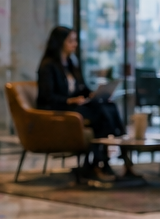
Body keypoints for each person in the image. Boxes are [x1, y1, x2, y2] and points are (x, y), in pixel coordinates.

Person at [36, 26, 123, 179]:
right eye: (71, 41)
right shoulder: (48, 66)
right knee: (100, 113)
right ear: (60, 42)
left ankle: (114, 157)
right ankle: (99, 163)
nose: (75, 44)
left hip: (74, 107)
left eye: (75, 40)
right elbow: (46, 97)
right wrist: (70, 100)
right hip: (59, 109)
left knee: (109, 105)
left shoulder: (71, 64)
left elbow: (81, 88)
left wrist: (93, 94)